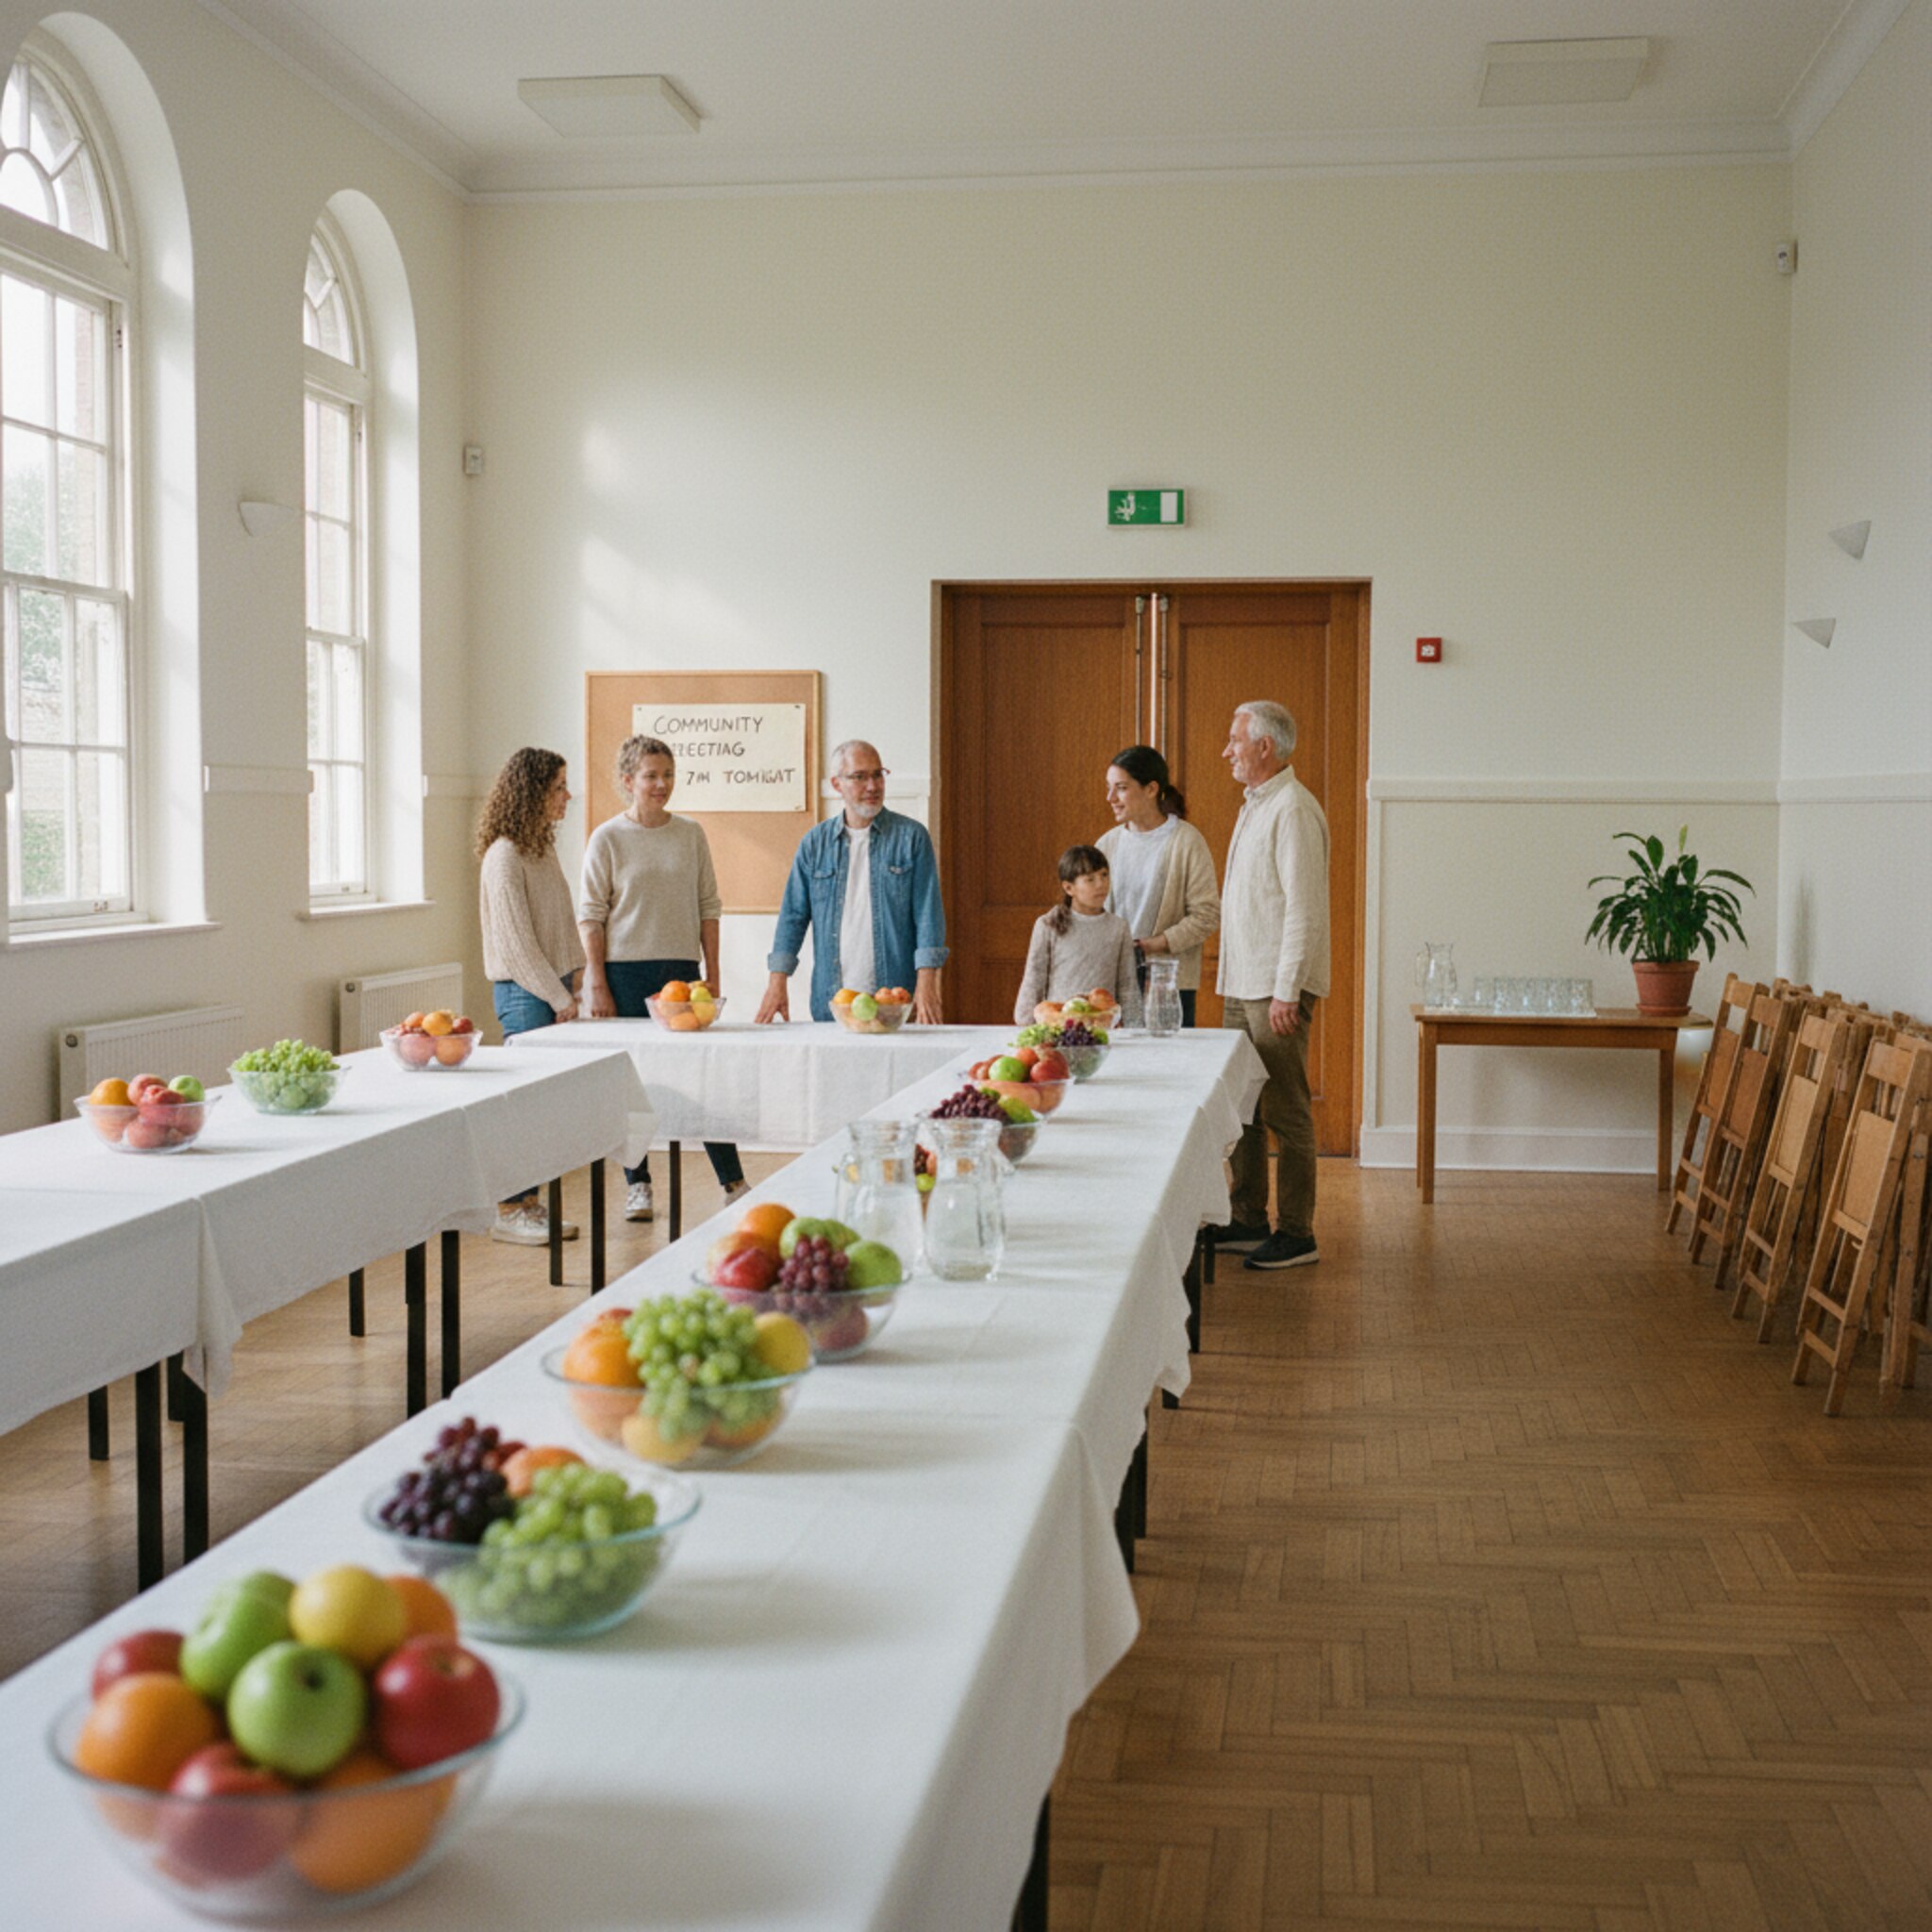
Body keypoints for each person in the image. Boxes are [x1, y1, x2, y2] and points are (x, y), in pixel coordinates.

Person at [578, 735, 747, 1224]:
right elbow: (591, 915)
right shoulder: (607, 838)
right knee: (633, 1084)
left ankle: (733, 1180)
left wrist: (713, 974)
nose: (661, 785)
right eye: (651, 776)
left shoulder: (691, 834)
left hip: (681, 974)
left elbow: (708, 907)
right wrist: (596, 982)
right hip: (623, 974)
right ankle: (639, 1186)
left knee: (704, 1079)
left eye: (668, 775)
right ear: (628, 781)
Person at [1209, 701, 1330, 1273]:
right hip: (1243, 982)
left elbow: (1303, 911)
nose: (1228, 750)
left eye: (1236, 740)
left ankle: (1297, 1232)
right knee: (1245, 1107)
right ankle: (1248, 1217)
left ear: (1266, 747)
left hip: (1274, 988)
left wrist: (1287, 990)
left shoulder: (1293, 810)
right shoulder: (1258, 805)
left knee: (1286, 1108)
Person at [757, 739, 948, 1024]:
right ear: (837, 784)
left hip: (894, 999)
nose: (872, 786)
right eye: (860, 777)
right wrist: (776, 983)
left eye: (877, 774)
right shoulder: (814, 844)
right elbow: (792, 917)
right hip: (833, 1001)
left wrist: (928, 983)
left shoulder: (911, 838)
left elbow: (928, 915)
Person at [477, 747, 585, 1247]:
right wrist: (557, 995)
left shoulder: (539, 849)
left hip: (553, 987)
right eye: (560, 786)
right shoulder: (503, 856)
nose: (568, 795)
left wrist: (577, 974)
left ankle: (528, 1205)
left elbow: (560, 919)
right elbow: (518, 947)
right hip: (525, 995)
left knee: (541, 1111)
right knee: (522, 1110)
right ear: (534, 791)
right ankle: (509, 1209)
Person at [1096, 745, 1221, 1027]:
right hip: (1111, 982)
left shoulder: (1187, 841)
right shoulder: (1106, 844)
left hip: (1169, 984)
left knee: (1170, 1066)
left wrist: (1151, 946)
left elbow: (1206, 916)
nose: (1110, 798)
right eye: (1109, 788)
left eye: (1121, 788)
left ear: (1151, 789)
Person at [1013, 845, 1142, 1027]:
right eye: (1090, 879)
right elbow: (1034, 979)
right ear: (1069, 888)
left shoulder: (1118, 927)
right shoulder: (1047, 924)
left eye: (1104, 875)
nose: (1100, 884)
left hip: (1103, 1029)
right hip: (1058, 1027)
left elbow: (1127, 984)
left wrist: (1136, 1029)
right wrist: (1025, 1025)